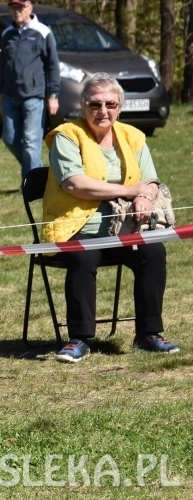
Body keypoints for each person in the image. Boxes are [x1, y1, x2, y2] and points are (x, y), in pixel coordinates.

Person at [41, 73, 179, 363]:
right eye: (94, 104)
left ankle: (149, 334)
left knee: (153, 251)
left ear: (120, 107)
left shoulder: (133, 136)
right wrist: (131, 190)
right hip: (78, 227)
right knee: (83, 257)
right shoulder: (67, 135)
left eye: (110, 104)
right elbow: (74, 184)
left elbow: (150, 180)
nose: (102, 111)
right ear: (82, 105)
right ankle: (78, 339)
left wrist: (144, 196)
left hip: (126, 229)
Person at [0, 0, 60, 181]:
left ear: (30, 8)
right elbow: (3, 67)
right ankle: (35, 169)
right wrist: (1, 94)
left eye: (20, 7)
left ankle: (31, 183)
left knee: (32, 144)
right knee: (9, 139)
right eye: (13, 8)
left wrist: (53, 95)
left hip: (34, 97)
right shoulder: (7, 34)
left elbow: (52, 65)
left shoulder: (42, 32)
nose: (16, 11)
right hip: (10, 96)